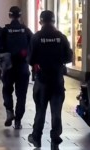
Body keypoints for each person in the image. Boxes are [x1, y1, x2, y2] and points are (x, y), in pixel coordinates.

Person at [28, 10, 73, 149]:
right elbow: (68, 58)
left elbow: (30, 58)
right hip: (57, 81)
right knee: (56, 112)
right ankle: (55, 141)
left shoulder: (36, 37)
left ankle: (36, 138)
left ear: (41, 21)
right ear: (54, 21)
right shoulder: (61, 37)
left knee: (40, 111)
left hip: (42, 80)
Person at [0, 6, 33, 129]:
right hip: (23, 67)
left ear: (10, 15)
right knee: (21, 95)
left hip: (8, 67)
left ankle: (9, 111)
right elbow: (33, 46)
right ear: (20, 15)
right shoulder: (26, 30)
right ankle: (18, 121)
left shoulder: (5, 30)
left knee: (7, 90)